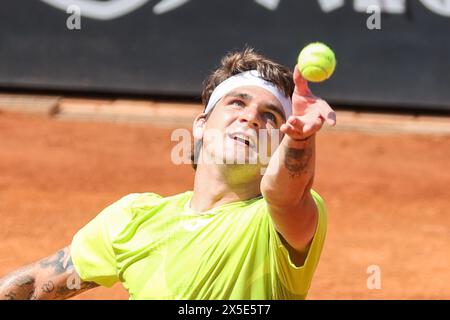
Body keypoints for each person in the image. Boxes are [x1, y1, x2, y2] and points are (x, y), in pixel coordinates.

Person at [0, 48, 336, 300]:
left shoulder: (275, 224)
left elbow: (286, 193)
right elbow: (32, 287)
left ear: (279, 144)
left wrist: (301, 137)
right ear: (201, 125)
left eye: (271, 116)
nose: (250, 118)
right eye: (237, 103)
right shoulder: (133, 218)